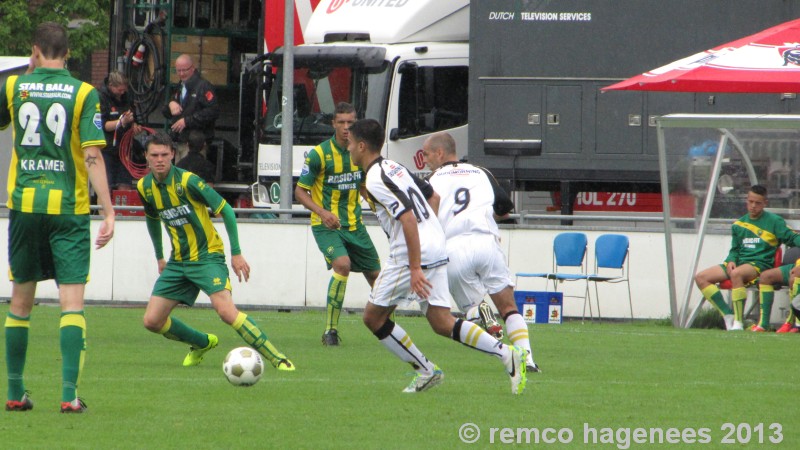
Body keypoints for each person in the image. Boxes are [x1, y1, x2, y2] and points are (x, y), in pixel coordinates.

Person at [348, 119, 526, 395]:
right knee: (440, 321)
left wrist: (416, 266)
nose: (347, 148)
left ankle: (426, 370)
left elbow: (406, 218)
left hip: (409, 253)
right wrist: (429, 229)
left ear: (361, 145)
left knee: (373, 317)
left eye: (349, 143)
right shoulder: (394, 167)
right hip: (435, 243)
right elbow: (432, 195)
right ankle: (506, 354)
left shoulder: (374, 178)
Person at [1, 22, 115, 413]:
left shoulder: (15, 87)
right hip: (68, 208)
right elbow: (93, 154)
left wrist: (29, 75)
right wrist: (109, 208)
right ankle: (68, 396)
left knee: (20, 301)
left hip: (24, 206)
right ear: (69, 53)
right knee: (71, 302)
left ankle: (15, 392)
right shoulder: (84, 93)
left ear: (35, 50)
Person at [136, 132, 294, 372]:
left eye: (165, 155)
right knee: (152, 321)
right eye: (154, 155)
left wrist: (236, 253)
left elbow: (226, 210)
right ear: (146, 157)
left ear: (173, 155)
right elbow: (152, 219)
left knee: (226, 312)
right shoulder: (144, 187)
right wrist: (159, 256)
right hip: (178, 261)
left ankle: (277, 358)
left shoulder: (189, 182)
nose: (160, 160)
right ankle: (201, 343)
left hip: (208, 256)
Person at [423, 132, 540, 373]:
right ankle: (527, 359)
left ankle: (481, 312)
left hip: (454, 247)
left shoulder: (431, 180)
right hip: (486, 242)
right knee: (509, 308)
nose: (425, 160)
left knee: (471, 310)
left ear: (440, 153)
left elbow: (427, 219)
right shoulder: (481, 172)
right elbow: (505, 208)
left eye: (426, 155)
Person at [294, 102, 380, 346]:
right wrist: (322, 213)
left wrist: (379, 208)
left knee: (378, 277)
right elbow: (300, 192)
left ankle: (388, 328)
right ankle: (330, 331)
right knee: (342, 265)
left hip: (355, 225)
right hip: (327, 226)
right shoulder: (319, 154)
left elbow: (363, 186)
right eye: (340, 122)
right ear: (333, 124)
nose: (345, 127)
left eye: (350, 123)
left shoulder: (361, 152)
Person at [694, 185, 800, 330]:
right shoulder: (739, 224)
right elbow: (735, 249)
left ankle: (738, 323)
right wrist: (731, 260)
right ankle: (728, 315)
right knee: (701, 277)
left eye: (757, 203)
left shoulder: (774, 222)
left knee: (736, 273)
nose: (753, 206)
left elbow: (792, 238)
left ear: (765, 203)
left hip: (759, 264)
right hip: (738, 263)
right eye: (750, 202)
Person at [162, 54, 219, 161]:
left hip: (196, 144)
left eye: (184, 70)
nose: (181, 74)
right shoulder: (180, 86)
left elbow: (213, 111)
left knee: (191, 175)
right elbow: (166, 112)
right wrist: (171, 104)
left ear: (193, 68)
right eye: (178, 71)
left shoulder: (203, 86)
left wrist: (187, 121)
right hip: (180, 140)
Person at [99, 70, 140, 191]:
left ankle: (123, 209)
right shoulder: (101, 97)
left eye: (124, 90)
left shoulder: (126, 97)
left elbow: (134, 117)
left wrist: (135, 125)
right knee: (106, 185)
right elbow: (103, 125)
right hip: (108, 148)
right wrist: (121, 122)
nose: (122, 93)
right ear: (111, 86)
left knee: (125, 182)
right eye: (119, 90)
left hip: (125, 148)